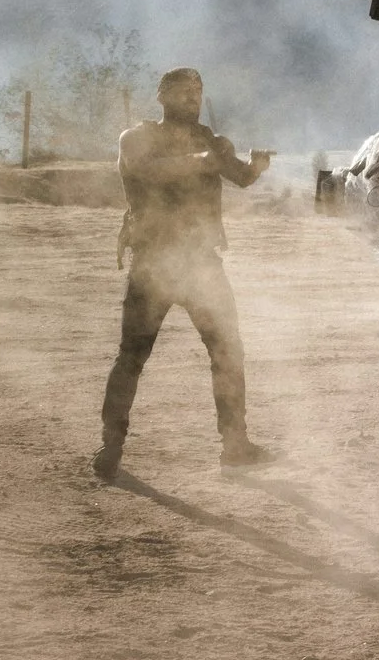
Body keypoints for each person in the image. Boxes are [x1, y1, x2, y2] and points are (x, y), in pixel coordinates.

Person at [93, 68, 274, 482]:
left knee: (228, 349)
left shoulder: (209, 140)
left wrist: (255, 166)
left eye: (198, 91)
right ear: (162, 97)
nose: (193, 98)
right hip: (154, 261)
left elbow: (240, 177)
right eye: (183, 91)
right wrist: (204, 160)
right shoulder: (136, 137)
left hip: (200, 263)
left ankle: (235, 446)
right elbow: (147, 170)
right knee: (132, 356)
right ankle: (111, 444)